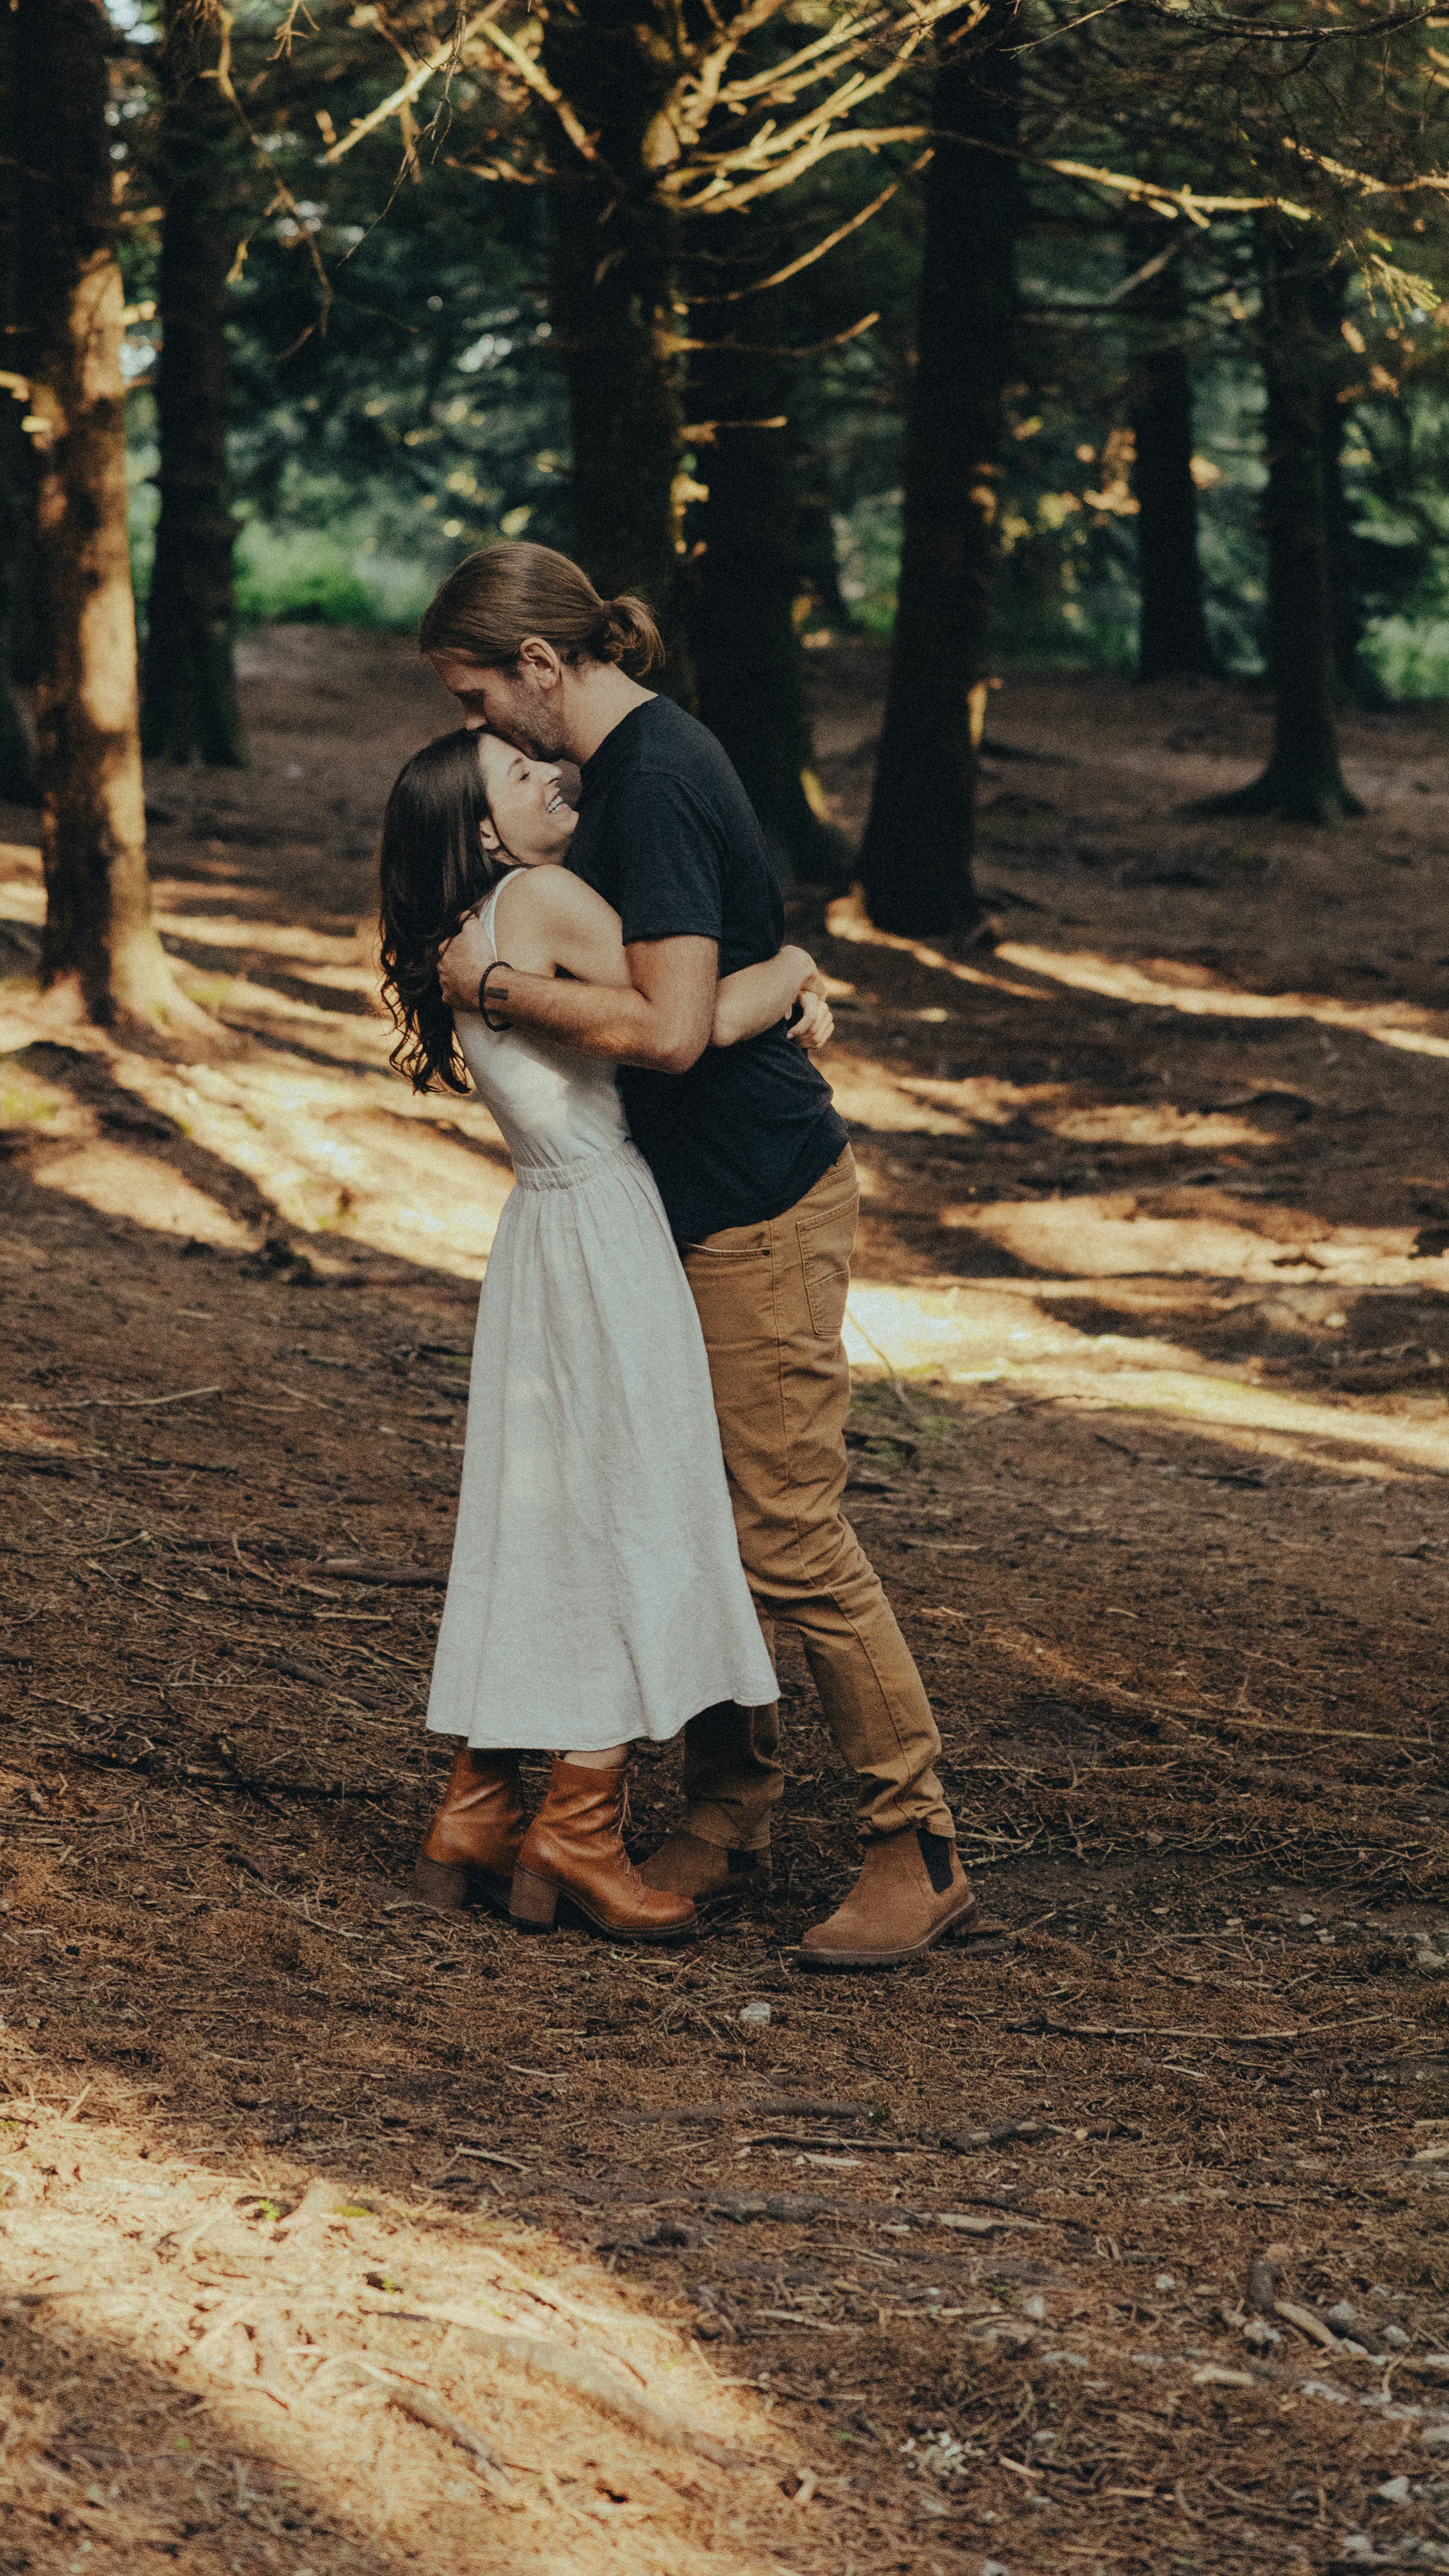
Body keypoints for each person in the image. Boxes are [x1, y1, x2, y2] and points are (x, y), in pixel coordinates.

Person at [420, 542, 978, 1972]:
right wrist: (781, 975)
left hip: (757, 1201)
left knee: (785, 1531)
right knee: (685, 1501)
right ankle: (728, 1814)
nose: (479, 729)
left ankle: (915, 1847)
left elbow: (668, 1029)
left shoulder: (656, 777)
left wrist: (497, 985)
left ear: (544, 667)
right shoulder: (602, 788)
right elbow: (696, 975)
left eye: (482, 698)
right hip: (663, 1207)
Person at [377, 726, 818, 1940]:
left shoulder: (469, 928)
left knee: (551, 1528)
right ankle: (575, 1827)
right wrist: (795, 972)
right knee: (640, 1516)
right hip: (608, 1227)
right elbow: (686, 1022)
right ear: (480, 830)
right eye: (520, 777)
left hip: (541, 1233)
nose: (555, 779)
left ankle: (481, 1805)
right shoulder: (547, 901)